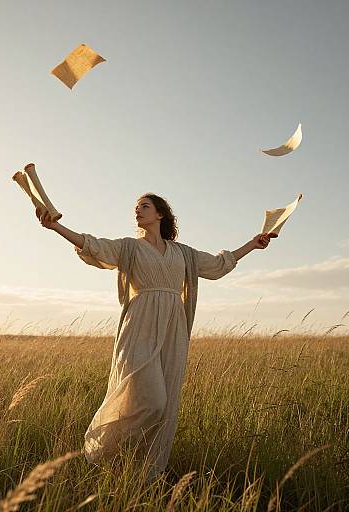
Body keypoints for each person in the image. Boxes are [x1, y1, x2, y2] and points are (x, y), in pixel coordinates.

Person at [35, 193, 272, 481]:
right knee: (153, 401)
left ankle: (138, 472)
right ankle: (105, 451)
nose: (137, 211)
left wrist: (253, 244)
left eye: (144, 207)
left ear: (160, 214)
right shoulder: (129, 248)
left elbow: (218, 265)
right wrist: (56, 227)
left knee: (164, 405)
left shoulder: (182, 253)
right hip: (139, 327)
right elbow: (91, 245)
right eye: (136, 208)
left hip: (174, 329)